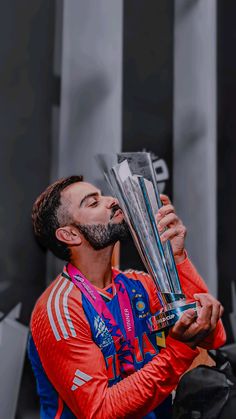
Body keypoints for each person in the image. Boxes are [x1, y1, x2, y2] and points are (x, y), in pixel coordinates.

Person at [28, 175, 226, 419]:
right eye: (93, 203)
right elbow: (100, 411)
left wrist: (177, 258)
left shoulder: (138, 284)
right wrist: (178, 350)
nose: (112, 200)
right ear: (70, 235)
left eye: (103, 195)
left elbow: (214, 336)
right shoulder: (59, 309)